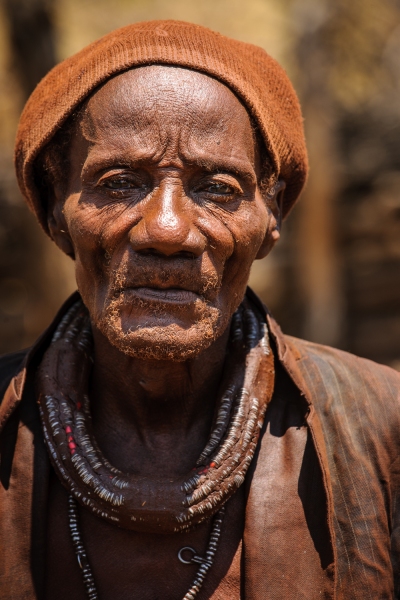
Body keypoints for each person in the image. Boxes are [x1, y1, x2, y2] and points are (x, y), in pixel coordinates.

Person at [1, 20, 399, 600]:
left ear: (273, 215)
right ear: (55, 208)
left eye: (217, 187)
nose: (167, 229)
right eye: (118, 182)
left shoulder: (383, 426)